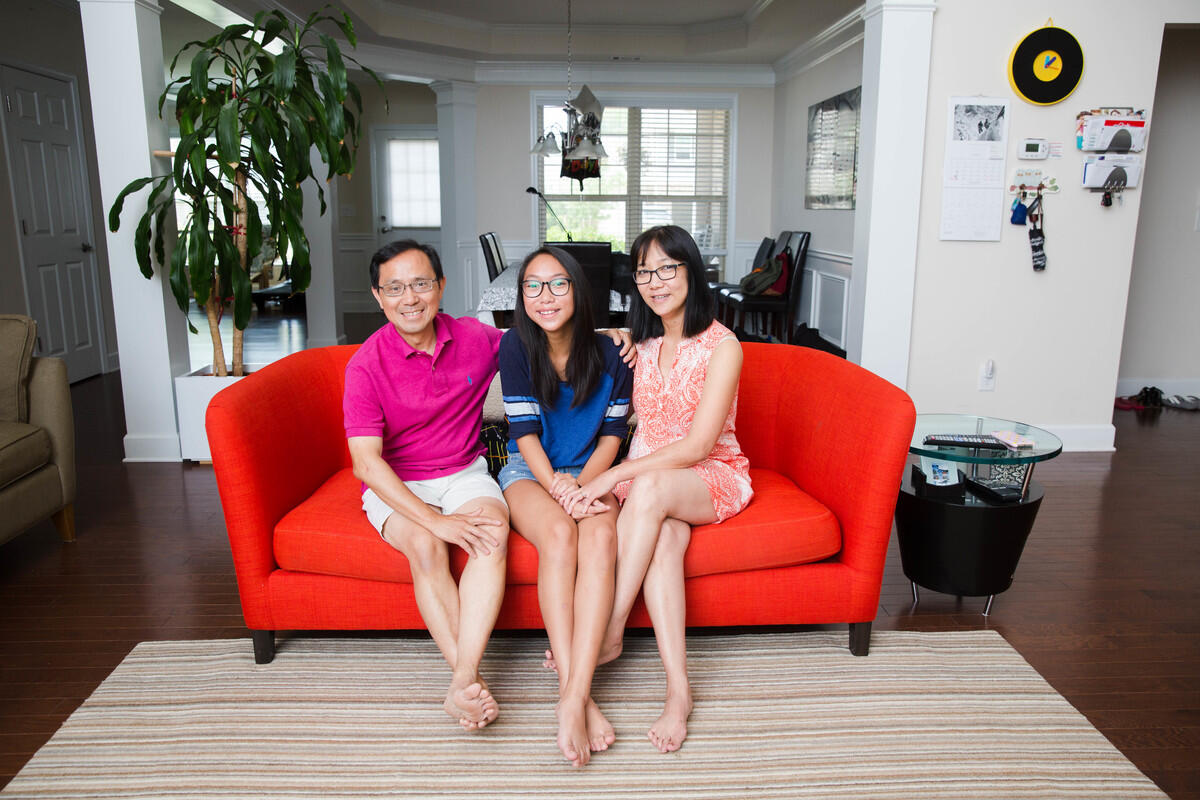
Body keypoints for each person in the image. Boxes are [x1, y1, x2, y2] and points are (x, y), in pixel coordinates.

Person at [343, 240, 633, 733]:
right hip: (398, 480)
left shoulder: (477, 339)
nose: (409, 298)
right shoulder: (365, 365)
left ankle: (476, 681)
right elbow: (367, 466)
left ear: (441, 286)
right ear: (378, 295)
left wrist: (609, 330)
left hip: (462, 473)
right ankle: (465, 678)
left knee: (490, 535)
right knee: (426, 545)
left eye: (420, 284)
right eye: (395, 288)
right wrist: (434, 519)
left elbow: (546, 332)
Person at [563, 225, 753, 754]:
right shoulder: (639, 344)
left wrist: (615, 474)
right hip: (653, 485)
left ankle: (610, 627)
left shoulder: (723, 345)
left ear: (692, 272)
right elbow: (576, 338)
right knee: (665, 540)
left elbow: (697, 446)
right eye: (645, 271)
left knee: (645, 489)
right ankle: (679, 691)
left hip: (710, 474)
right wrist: (610, 333)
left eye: (668, 268)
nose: (655, 281)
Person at [497, 247, 632, 767]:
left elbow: (613, 436)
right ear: (521, 296)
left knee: (599, 535)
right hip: (529, 473)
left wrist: (585, 487)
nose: (544, 296)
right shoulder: (515, 347)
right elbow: (524, 433)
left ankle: (572, 694)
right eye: (532, 286)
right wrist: (559, 488)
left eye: (557, 285)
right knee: (559, 535)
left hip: (593, 475)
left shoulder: (614, 354)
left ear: (578, 291)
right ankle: (576, 698)